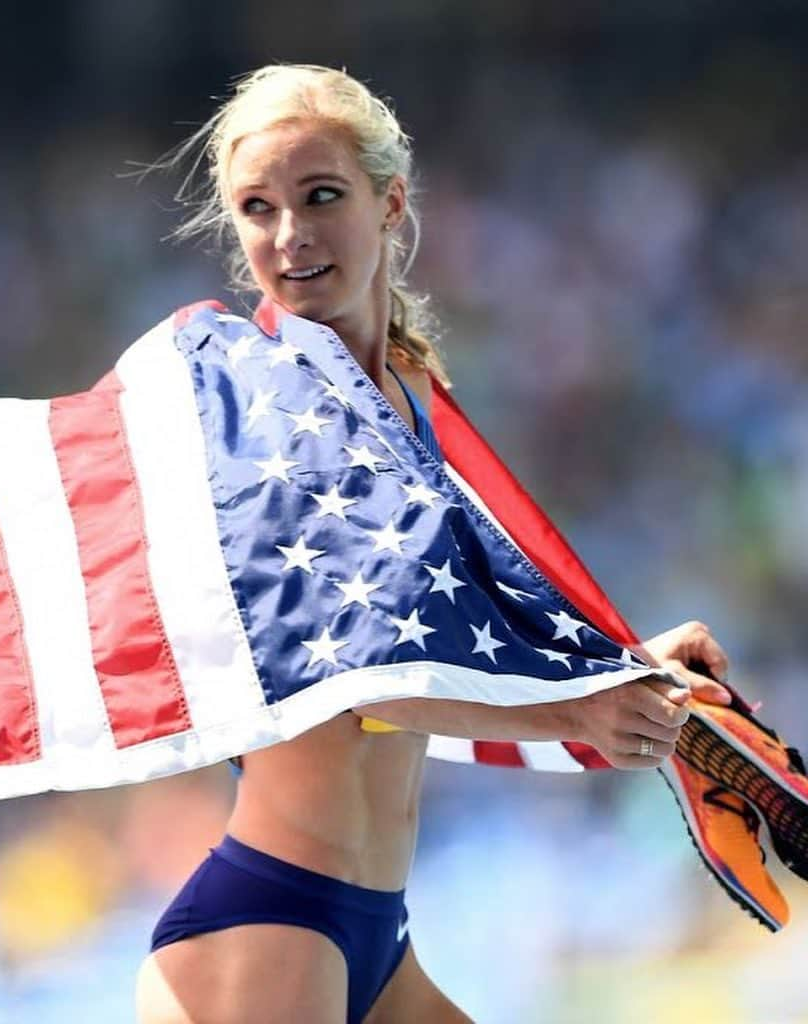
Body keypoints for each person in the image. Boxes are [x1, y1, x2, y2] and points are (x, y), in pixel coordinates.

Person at [134, 65, 734, 1024]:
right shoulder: (266, 411)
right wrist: (579, 717)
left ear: (391, 203)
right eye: (258, 208)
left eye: (320, 195)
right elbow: (357, 680)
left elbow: (458, 642)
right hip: (268, 928)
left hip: (373, 935)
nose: (289, 236)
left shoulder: (407, 400)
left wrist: (612, 676)